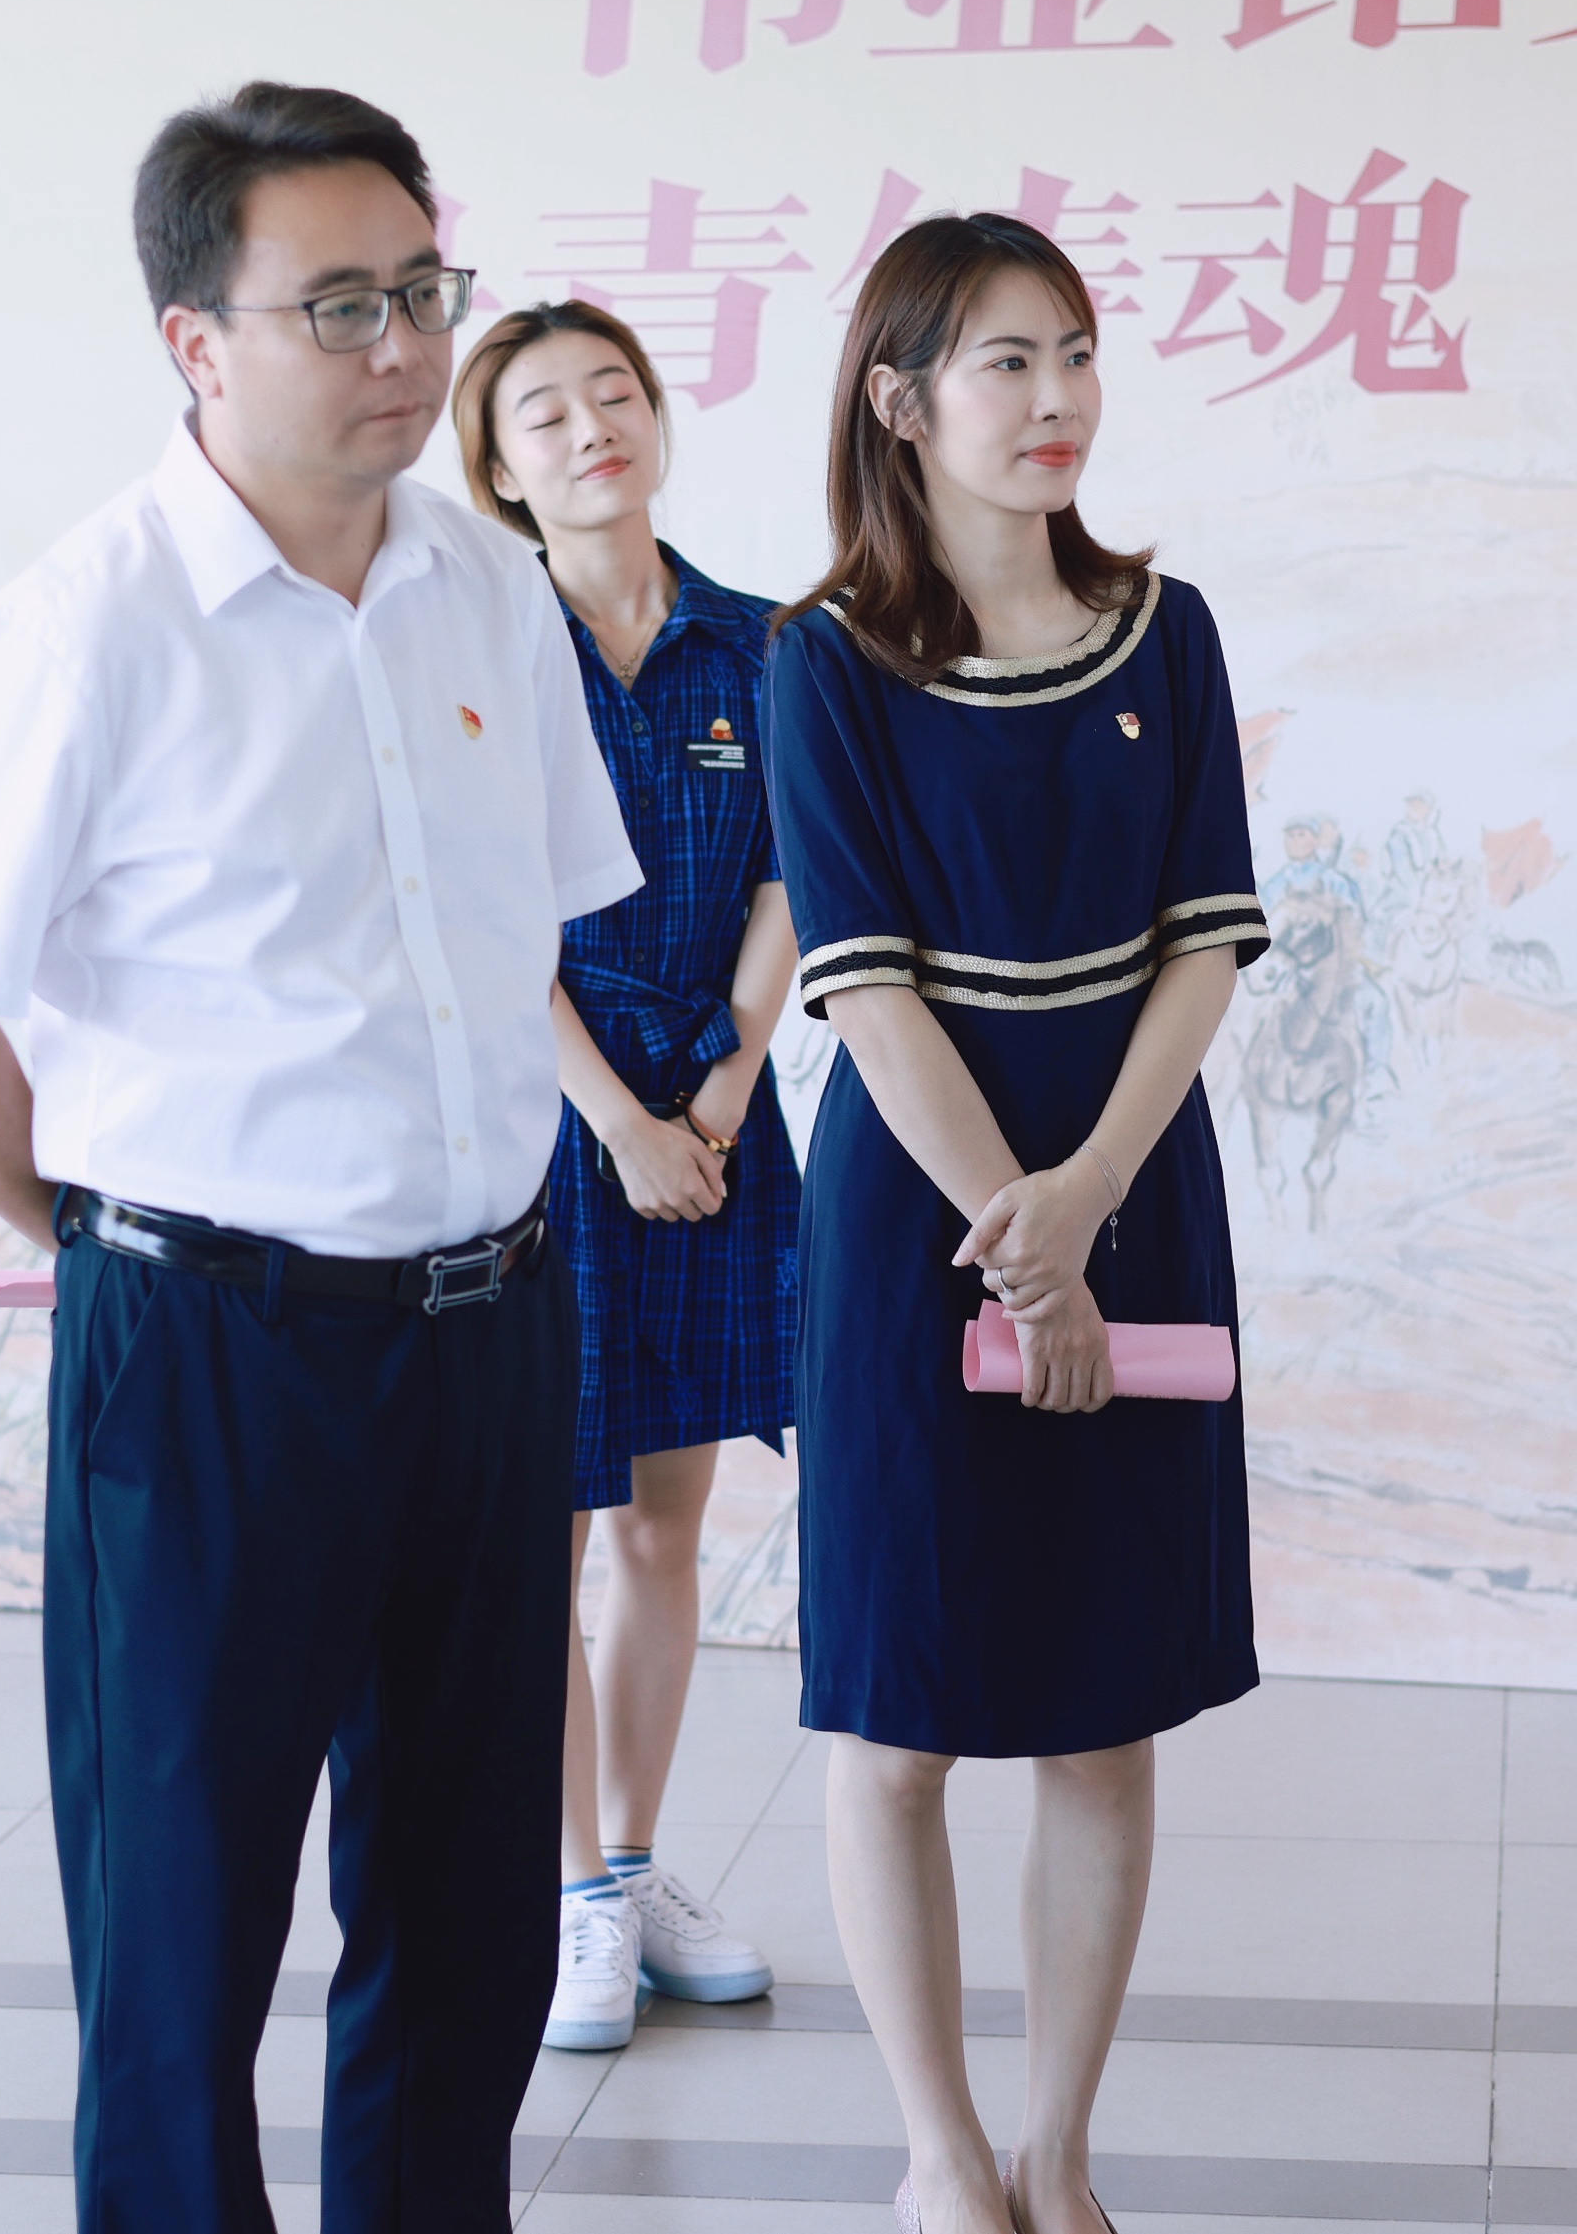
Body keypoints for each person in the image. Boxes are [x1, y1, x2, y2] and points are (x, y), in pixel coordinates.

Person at [0, 82, 636, 2232]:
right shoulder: (83, 628)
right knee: (183, 1941)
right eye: (342, 305)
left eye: (425, 292)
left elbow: (532, 936)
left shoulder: (490, 592)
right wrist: (109, 1237)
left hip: (488, 1327)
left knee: (467, 1919)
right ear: (195, 341)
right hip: (208, 1351)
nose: (407, 346)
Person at [762, 212, 1266, 2234]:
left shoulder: (1167, 628)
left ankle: (1058, 2155)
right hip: (919, 1220)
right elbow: (870, 994)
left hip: (1131, 1186)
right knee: (899, 1713)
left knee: (1102, 1704)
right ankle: (941, 2157)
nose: (1058, 398)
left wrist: (1090, 1202)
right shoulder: (823, 662)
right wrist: (1015, 1229)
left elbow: (1204, 943)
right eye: (1007, 362)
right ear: (900, 400)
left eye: (1075, 352)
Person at [451, 299, 795, 2054]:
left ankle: (636, 1862)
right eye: (546, 414)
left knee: (666, 1522)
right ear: (498, 471)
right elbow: (483, 913)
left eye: (615, 394)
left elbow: (790, 879)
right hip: (551, 1125)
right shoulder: (484, 647)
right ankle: (572, 1888)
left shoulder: (762, 642)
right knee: (553, 1525)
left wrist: (722, 1088)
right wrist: (619, 1120)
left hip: (714, 1116)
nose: (593, 428)